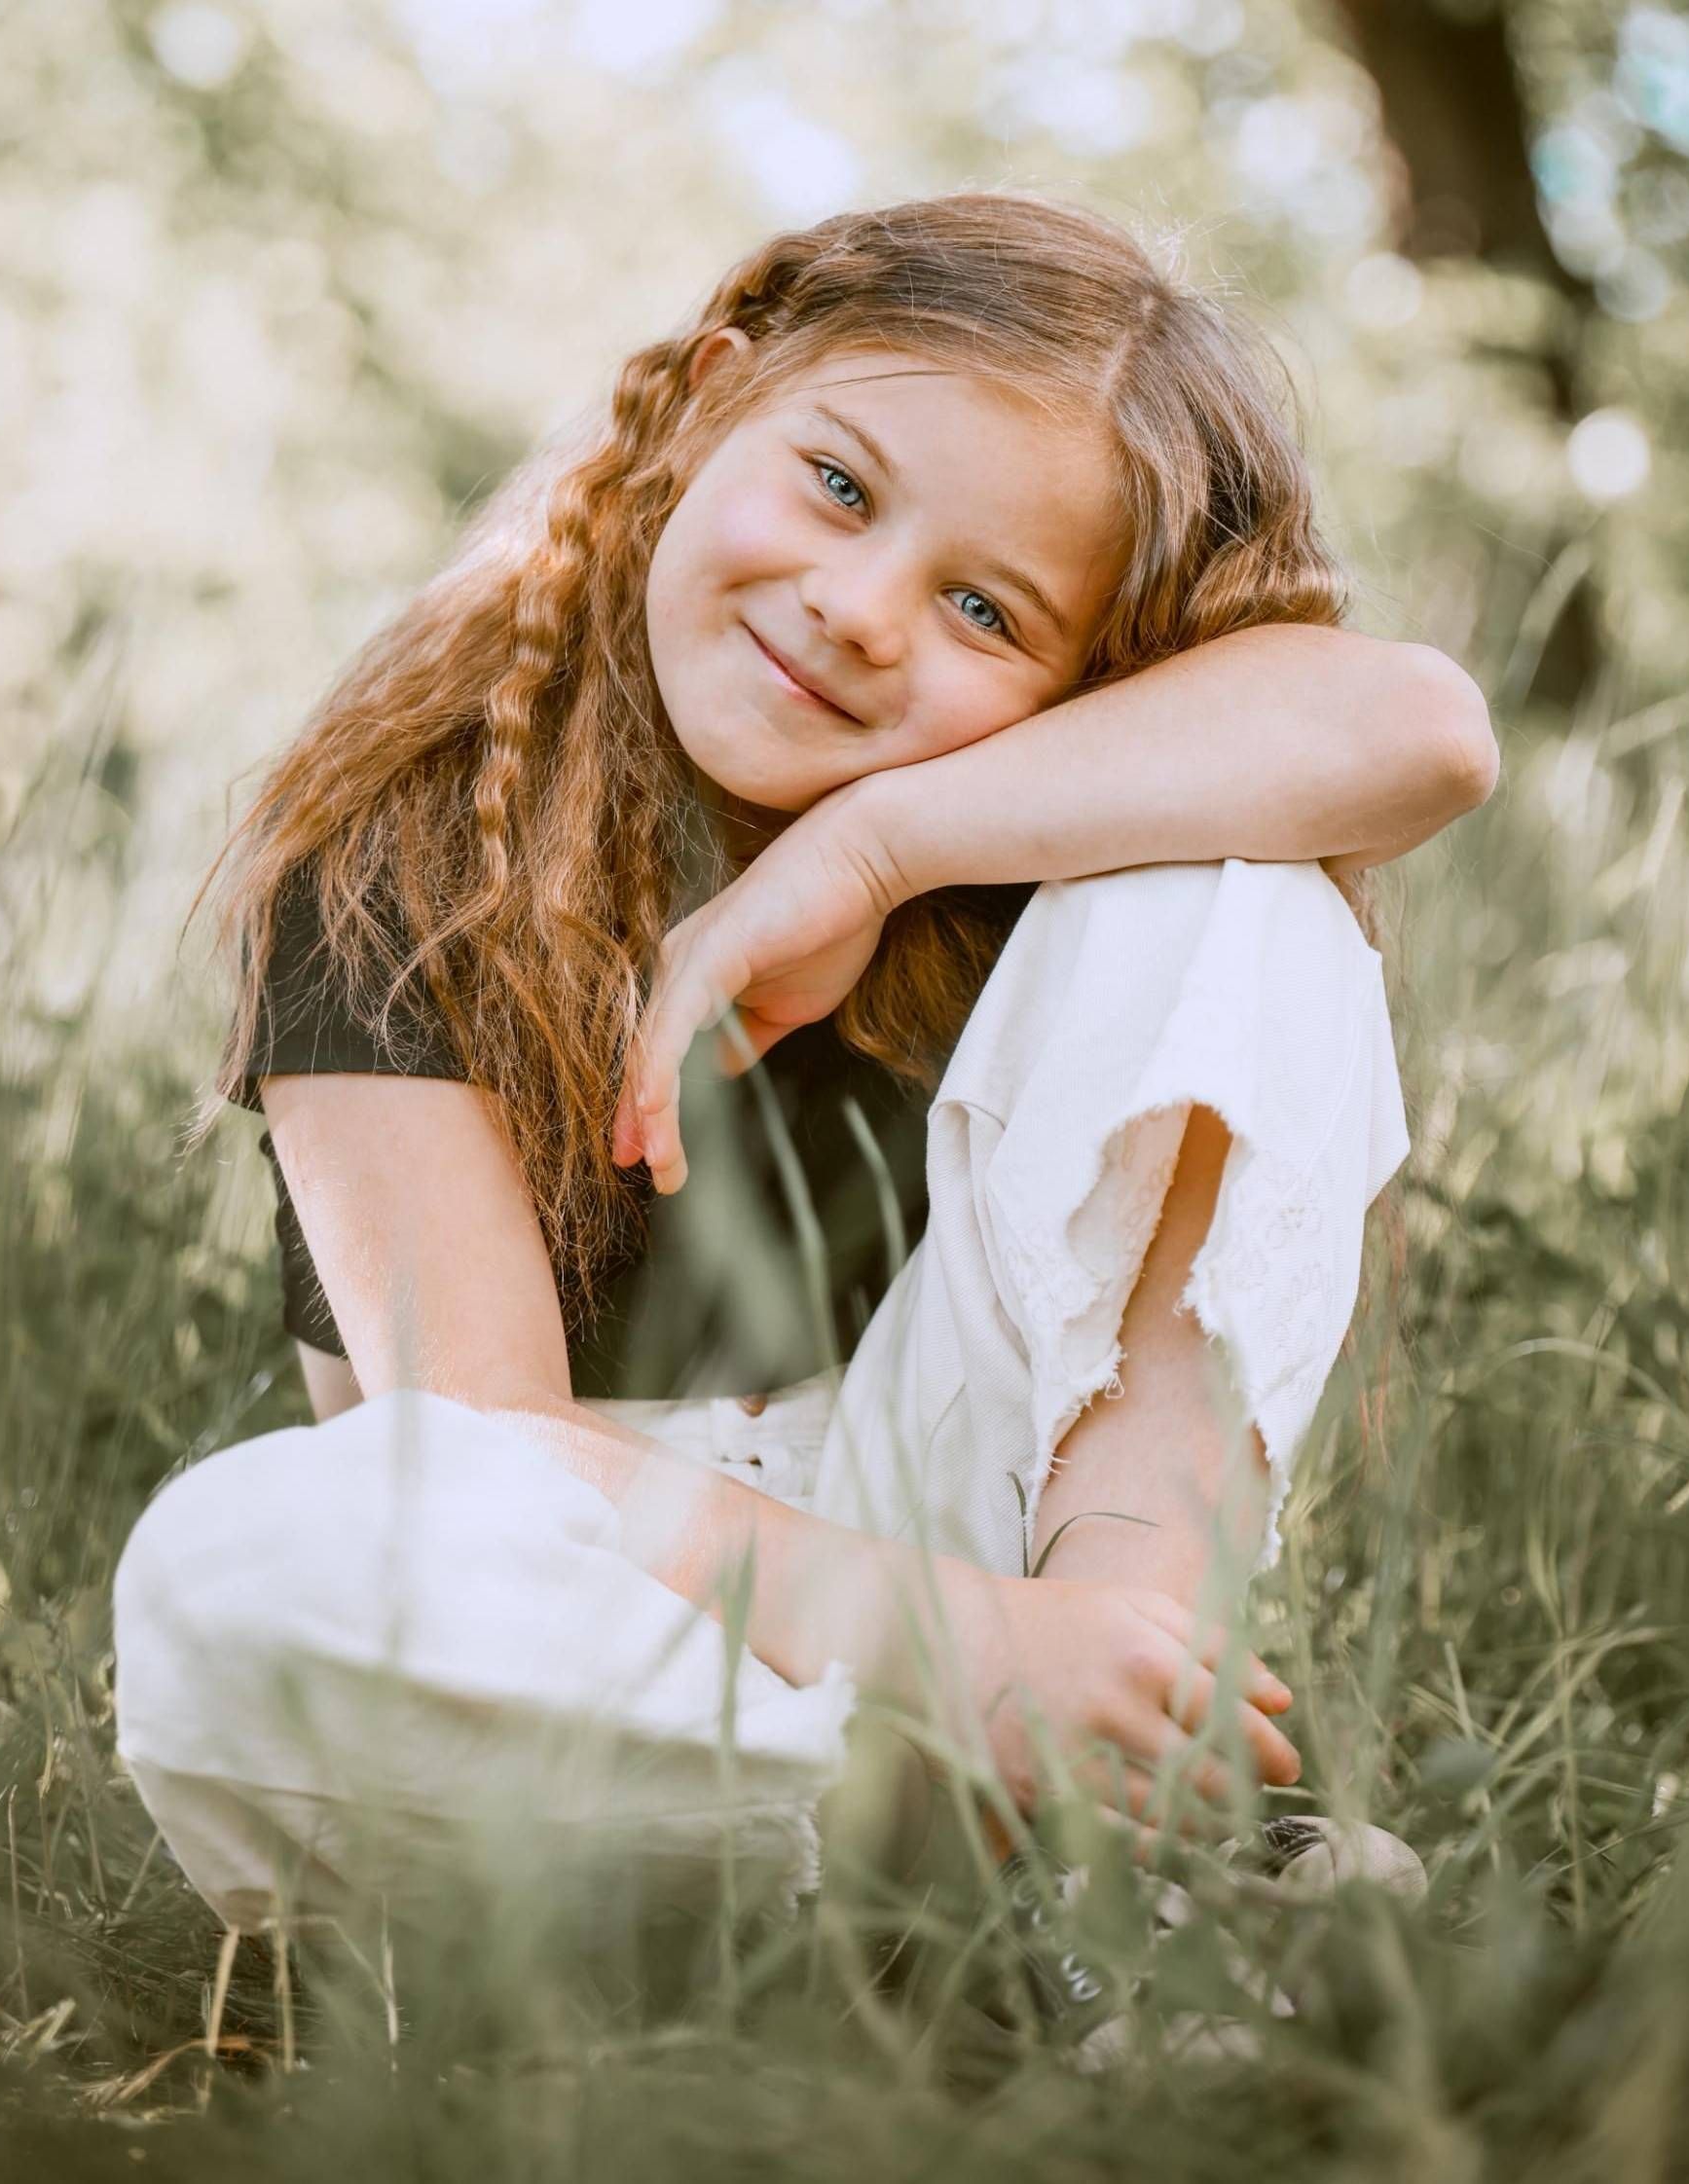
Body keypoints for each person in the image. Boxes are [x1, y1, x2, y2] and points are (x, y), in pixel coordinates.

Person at [111, 193, 1496, 1970]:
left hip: (1002, 1540)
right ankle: (984, 1843)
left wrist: (873, 853)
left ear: (1087, 677)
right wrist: (957, 1654)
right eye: (840, 486)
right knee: (228, 1572)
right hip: (622, 1601)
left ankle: (1113, 1816)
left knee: (1248, 901)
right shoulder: (405, 847)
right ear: (709, 400)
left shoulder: (1010, 823)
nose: (858, 614)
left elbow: (1427, 733)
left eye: (987, 608)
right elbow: (476, 1437)